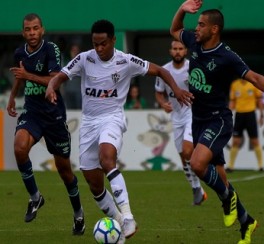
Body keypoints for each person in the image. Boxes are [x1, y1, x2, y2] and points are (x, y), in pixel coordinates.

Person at [45, 19, 192, 243]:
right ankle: (121, 226)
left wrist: (177, 90)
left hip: (112, 118)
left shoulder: (126, 61)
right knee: (94, 184)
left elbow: (161, 71)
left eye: (103, 43)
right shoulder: (85, 58)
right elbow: (60, 76)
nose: (99, 48)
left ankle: (128, 216)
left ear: (113, 40)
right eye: (95, 43)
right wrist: (51, 86)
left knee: (107, 160)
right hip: (89, 123)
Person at [170, 1, 264, 243]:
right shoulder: (193, 42)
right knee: (221, 177)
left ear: (214, 29)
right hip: (198, 119)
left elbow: (253, 76)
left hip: (218, 120)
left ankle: (227, 201)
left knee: (196, 164)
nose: (196, 28)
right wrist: (182, 9)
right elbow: (174, 30)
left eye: (201, 25)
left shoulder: (227, 55)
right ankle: (247, 222)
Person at [7, 13, 85, 235]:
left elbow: (54, 80)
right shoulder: (19, 52)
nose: (31, 33)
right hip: (32, 111)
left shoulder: (51, 49)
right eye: (27, 29)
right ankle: (35, 197)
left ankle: (78, 214)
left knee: (64, 171)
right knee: (19, 148)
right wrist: (13, 96)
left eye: (35, 29)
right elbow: (20, 77)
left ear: (42, 30)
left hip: (53, 116)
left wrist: (27, 75)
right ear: (23, 32)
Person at [155, 40, 207, 205]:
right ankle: (196, 189)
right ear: (171, 51)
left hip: (191, 113)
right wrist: (163, 104)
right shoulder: (164, 70)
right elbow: (158, 92)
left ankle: (198, 184)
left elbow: (203, 88)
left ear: (185, 51)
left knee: (187, 150)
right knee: (183, 156)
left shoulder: (193, 68)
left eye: (181, 49)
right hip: (175, 116)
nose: (177, 51)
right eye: (175, 49)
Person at [226, 78, 264, 173]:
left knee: (254, 141)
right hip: (239, 115)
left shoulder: (253, 83)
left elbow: (259, 100)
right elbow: (232, 101)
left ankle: (261, 165)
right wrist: (228, 115)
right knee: (235, 141)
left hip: (250, 114)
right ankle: (230, 166)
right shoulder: (234, 84)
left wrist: (262, 115)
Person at [62, 43, 82, 109]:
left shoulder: (83, 64)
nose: (74, 52)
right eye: (73, 51)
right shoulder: (66, 63)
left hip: (79, 91)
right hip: (68, 91)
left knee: (79, 110)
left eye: (76, 51)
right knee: (69, 110)